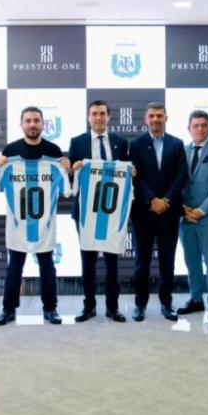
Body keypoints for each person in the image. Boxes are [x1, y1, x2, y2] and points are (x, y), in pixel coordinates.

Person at [0, 107, 71, 326]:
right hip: (18, 223)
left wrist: (67, 168)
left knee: (47, 265)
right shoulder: (10, 150)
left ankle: (50, 309)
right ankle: (8, 309)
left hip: (44, 223)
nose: (32, 124)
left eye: (36, 120)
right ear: (21, 124)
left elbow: (66, 187)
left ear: (43, 124)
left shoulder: (54, 151)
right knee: (14, 266)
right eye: (28, 121)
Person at [69, 100, 130, 323]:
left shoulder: (121, 142)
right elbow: (69, 177)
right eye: (94, 114)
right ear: (89, 117)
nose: (98, 118)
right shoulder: (77, 142)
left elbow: (126, 174)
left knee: (113, 262)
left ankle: (113, 308)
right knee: (88, 262)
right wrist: (73, 168)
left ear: (109, 116)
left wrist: (131, 171)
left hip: (112, 211)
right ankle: (89, 307)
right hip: (86, 212)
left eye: (102, 113)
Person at [129, 102, 187, 322]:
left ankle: (166, 303)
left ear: (166, 118)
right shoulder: (135, 145)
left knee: (167, 260)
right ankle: (140, 304)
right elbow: (136, 177)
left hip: (169, 211)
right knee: (141, 262)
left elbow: (181, 175)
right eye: (152, 116)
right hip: (143, 212)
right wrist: (152, 199)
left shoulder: (177, 144)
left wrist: (166, 200)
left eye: (159, 116)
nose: (155, 119)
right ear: (146, 119)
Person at [175, 110, 208, 321]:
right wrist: (183, 209)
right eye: (195, 125)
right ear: (188, 128)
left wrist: (201, 210)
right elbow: (175, 182)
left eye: (204, 125)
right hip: (185, 217)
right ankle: (196, 299)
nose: (200, 129)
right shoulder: (181, 151)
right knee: (192, 261)